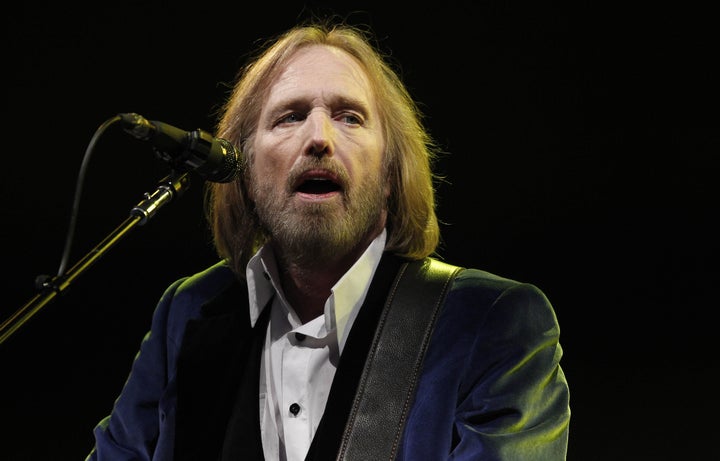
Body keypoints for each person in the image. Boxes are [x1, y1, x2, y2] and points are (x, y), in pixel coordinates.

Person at [86, 18, 570, 461]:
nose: (319, 137)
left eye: (350, 117)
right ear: (244, 168)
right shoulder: (187, 313)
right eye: (290, 116)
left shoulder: (496, 323)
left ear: (389, 172)